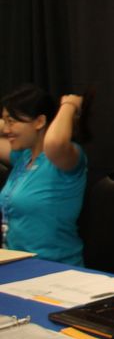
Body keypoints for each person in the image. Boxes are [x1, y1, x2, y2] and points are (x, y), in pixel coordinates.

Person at [0, 84, 88, 265]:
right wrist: (10, 119)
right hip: (19, 266)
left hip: (55, 268)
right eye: (4, 122)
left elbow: (54, 142)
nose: (6, 129)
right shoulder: (22, 158)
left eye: (12, 122)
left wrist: (69, 105)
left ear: (39, 122)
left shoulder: (64, 158)